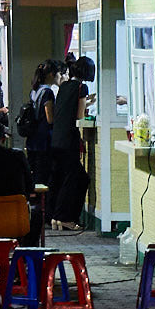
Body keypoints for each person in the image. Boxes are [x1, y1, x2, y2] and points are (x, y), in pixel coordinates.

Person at [48, 56, 92, 230]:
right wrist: (88, 103)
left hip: (57, 139)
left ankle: (56, 217)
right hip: (69, 139)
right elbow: (80, 116)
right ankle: (66, 217)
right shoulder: (82, 87)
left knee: (62, 178)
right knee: (76, 179)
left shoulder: (64, 86)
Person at [23, 60, 61, 198]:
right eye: (58, 74)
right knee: (44, 177)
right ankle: (42, 211)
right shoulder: (47, 92)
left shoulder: (35, 90)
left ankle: (34, 208)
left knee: (34, 175)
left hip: (32, 139)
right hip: (44, 140)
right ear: (52, 74)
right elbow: (50, 118)